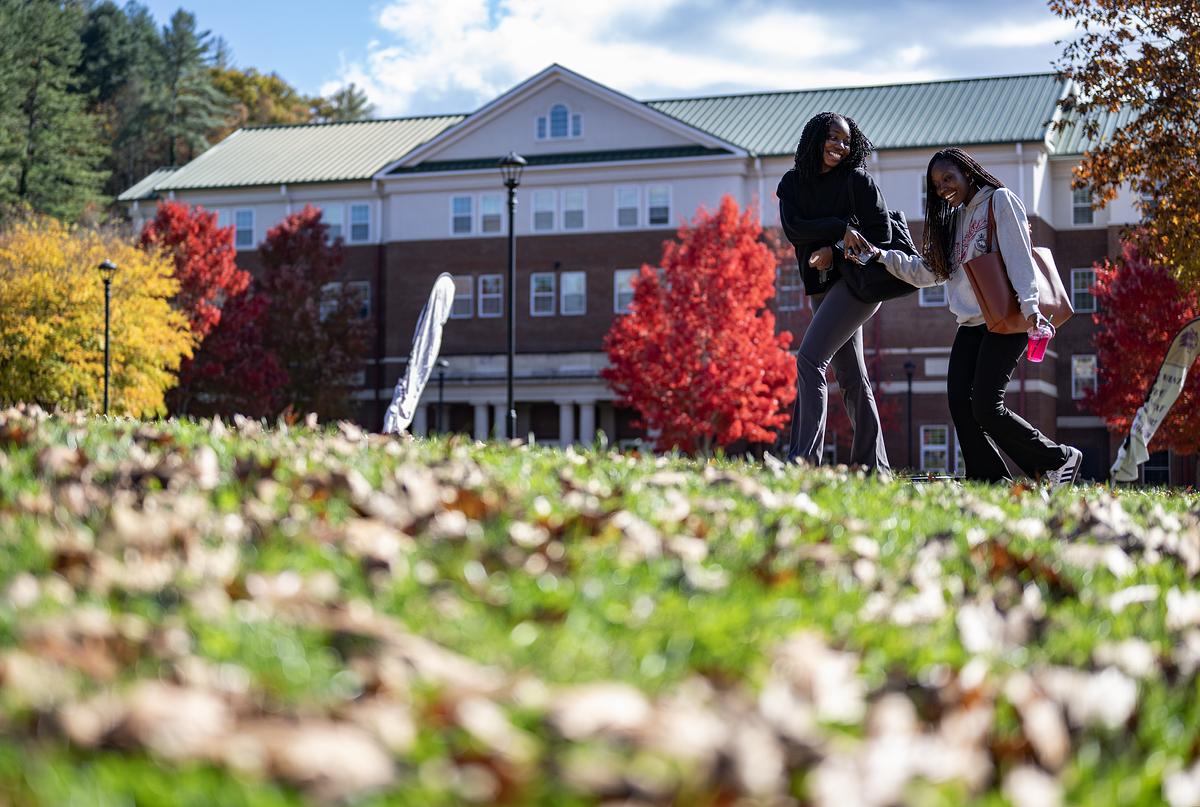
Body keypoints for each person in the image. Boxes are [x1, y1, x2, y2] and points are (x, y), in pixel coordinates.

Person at [858, 147, 1082, 487]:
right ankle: (991, 481)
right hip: (971, 324)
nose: (943, 187)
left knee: (987, 407)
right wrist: (880, 256)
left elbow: (1020, 257)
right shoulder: (956, 218)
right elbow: (930, 271)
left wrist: (1032, 310)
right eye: (936, 184)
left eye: (949, 178)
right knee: (960, 404)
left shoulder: (1000, 201)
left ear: (968, 172)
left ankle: (1058, 459)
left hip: (1006, 320)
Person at [777, 112, 892, 475]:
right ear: (814, 138)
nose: (840, 147)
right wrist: (839, 230)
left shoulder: (857, 181)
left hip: (856, 286)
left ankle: (802, 461)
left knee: (810, 360)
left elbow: (883, 236)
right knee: (852, 376)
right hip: (820, 287)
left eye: (846, 141)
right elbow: (795, 230)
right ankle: (875, 468)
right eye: (833, 138)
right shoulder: (793, 184)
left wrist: (838, 249)